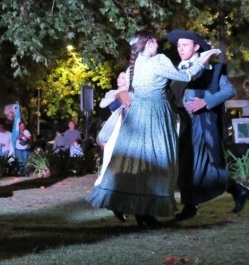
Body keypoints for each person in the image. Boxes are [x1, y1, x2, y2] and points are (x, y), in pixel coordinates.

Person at [86, 30, 221, 226]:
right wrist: (202, 60)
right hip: (155, 115)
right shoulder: (158, 60)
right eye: (154, 41)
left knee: (138, 163)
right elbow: (185, 76)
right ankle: (146, 212)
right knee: (157, 161)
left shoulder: (136, 64)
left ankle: (135, 209)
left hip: (137, 116)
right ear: (148, 43)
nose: (158, 43)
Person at [167, 30, 249, 219]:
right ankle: (193, 204)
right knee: (187, 165)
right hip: (186, 123)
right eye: (178, 45)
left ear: (196, 47)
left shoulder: (214, 69)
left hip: (204, 123)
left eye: (185, 45)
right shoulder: (177, 69)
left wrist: (205, 102)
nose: (180, 49)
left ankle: (232, 191)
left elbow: (228, 90)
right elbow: (174, 94)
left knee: (206, 164)